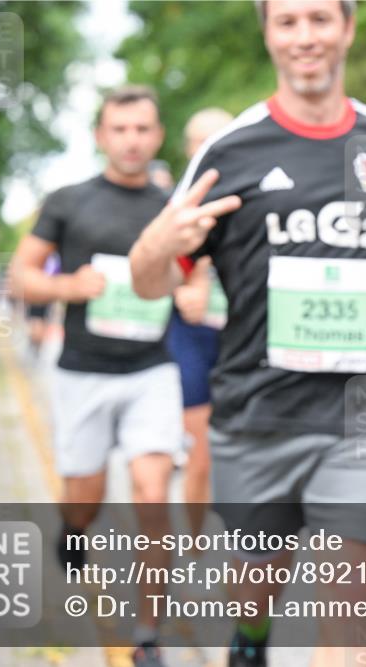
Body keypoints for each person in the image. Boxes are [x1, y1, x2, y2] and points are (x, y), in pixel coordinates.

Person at [128, 2, 366, 665]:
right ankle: (250, 638)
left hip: (365, 413)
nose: (306, 37)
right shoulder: (231, 150)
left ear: (347, 29)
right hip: (257, 414)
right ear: (268, 33)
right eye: (288, 21)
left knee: (348, 618)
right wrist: (160, 242)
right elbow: (149, 283)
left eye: (320, 19)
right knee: (254, 586)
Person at [10, 85, 181, 667]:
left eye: (142, 129)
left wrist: (191, 289)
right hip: (83, 372)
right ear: (101, 136)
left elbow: (197, 272)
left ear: (157, 136)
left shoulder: (173, 208)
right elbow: (21, 275)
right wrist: (69, 286)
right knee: (83, 498)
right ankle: (73, 530)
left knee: (153, 493)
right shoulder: (68, 200)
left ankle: (148, 635)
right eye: (120, 129)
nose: (132, 140)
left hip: (152, 369)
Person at [165, 107, 234, 540]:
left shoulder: (256, 197)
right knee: (202, 457)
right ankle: (194, 548)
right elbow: (151, 270)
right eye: (202, 141)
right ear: (189, 149)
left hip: (243, 341)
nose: (212, 149)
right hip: (191, 339)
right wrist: (184, 287)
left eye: (221, 139)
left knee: (240, 455)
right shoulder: (175, 206)